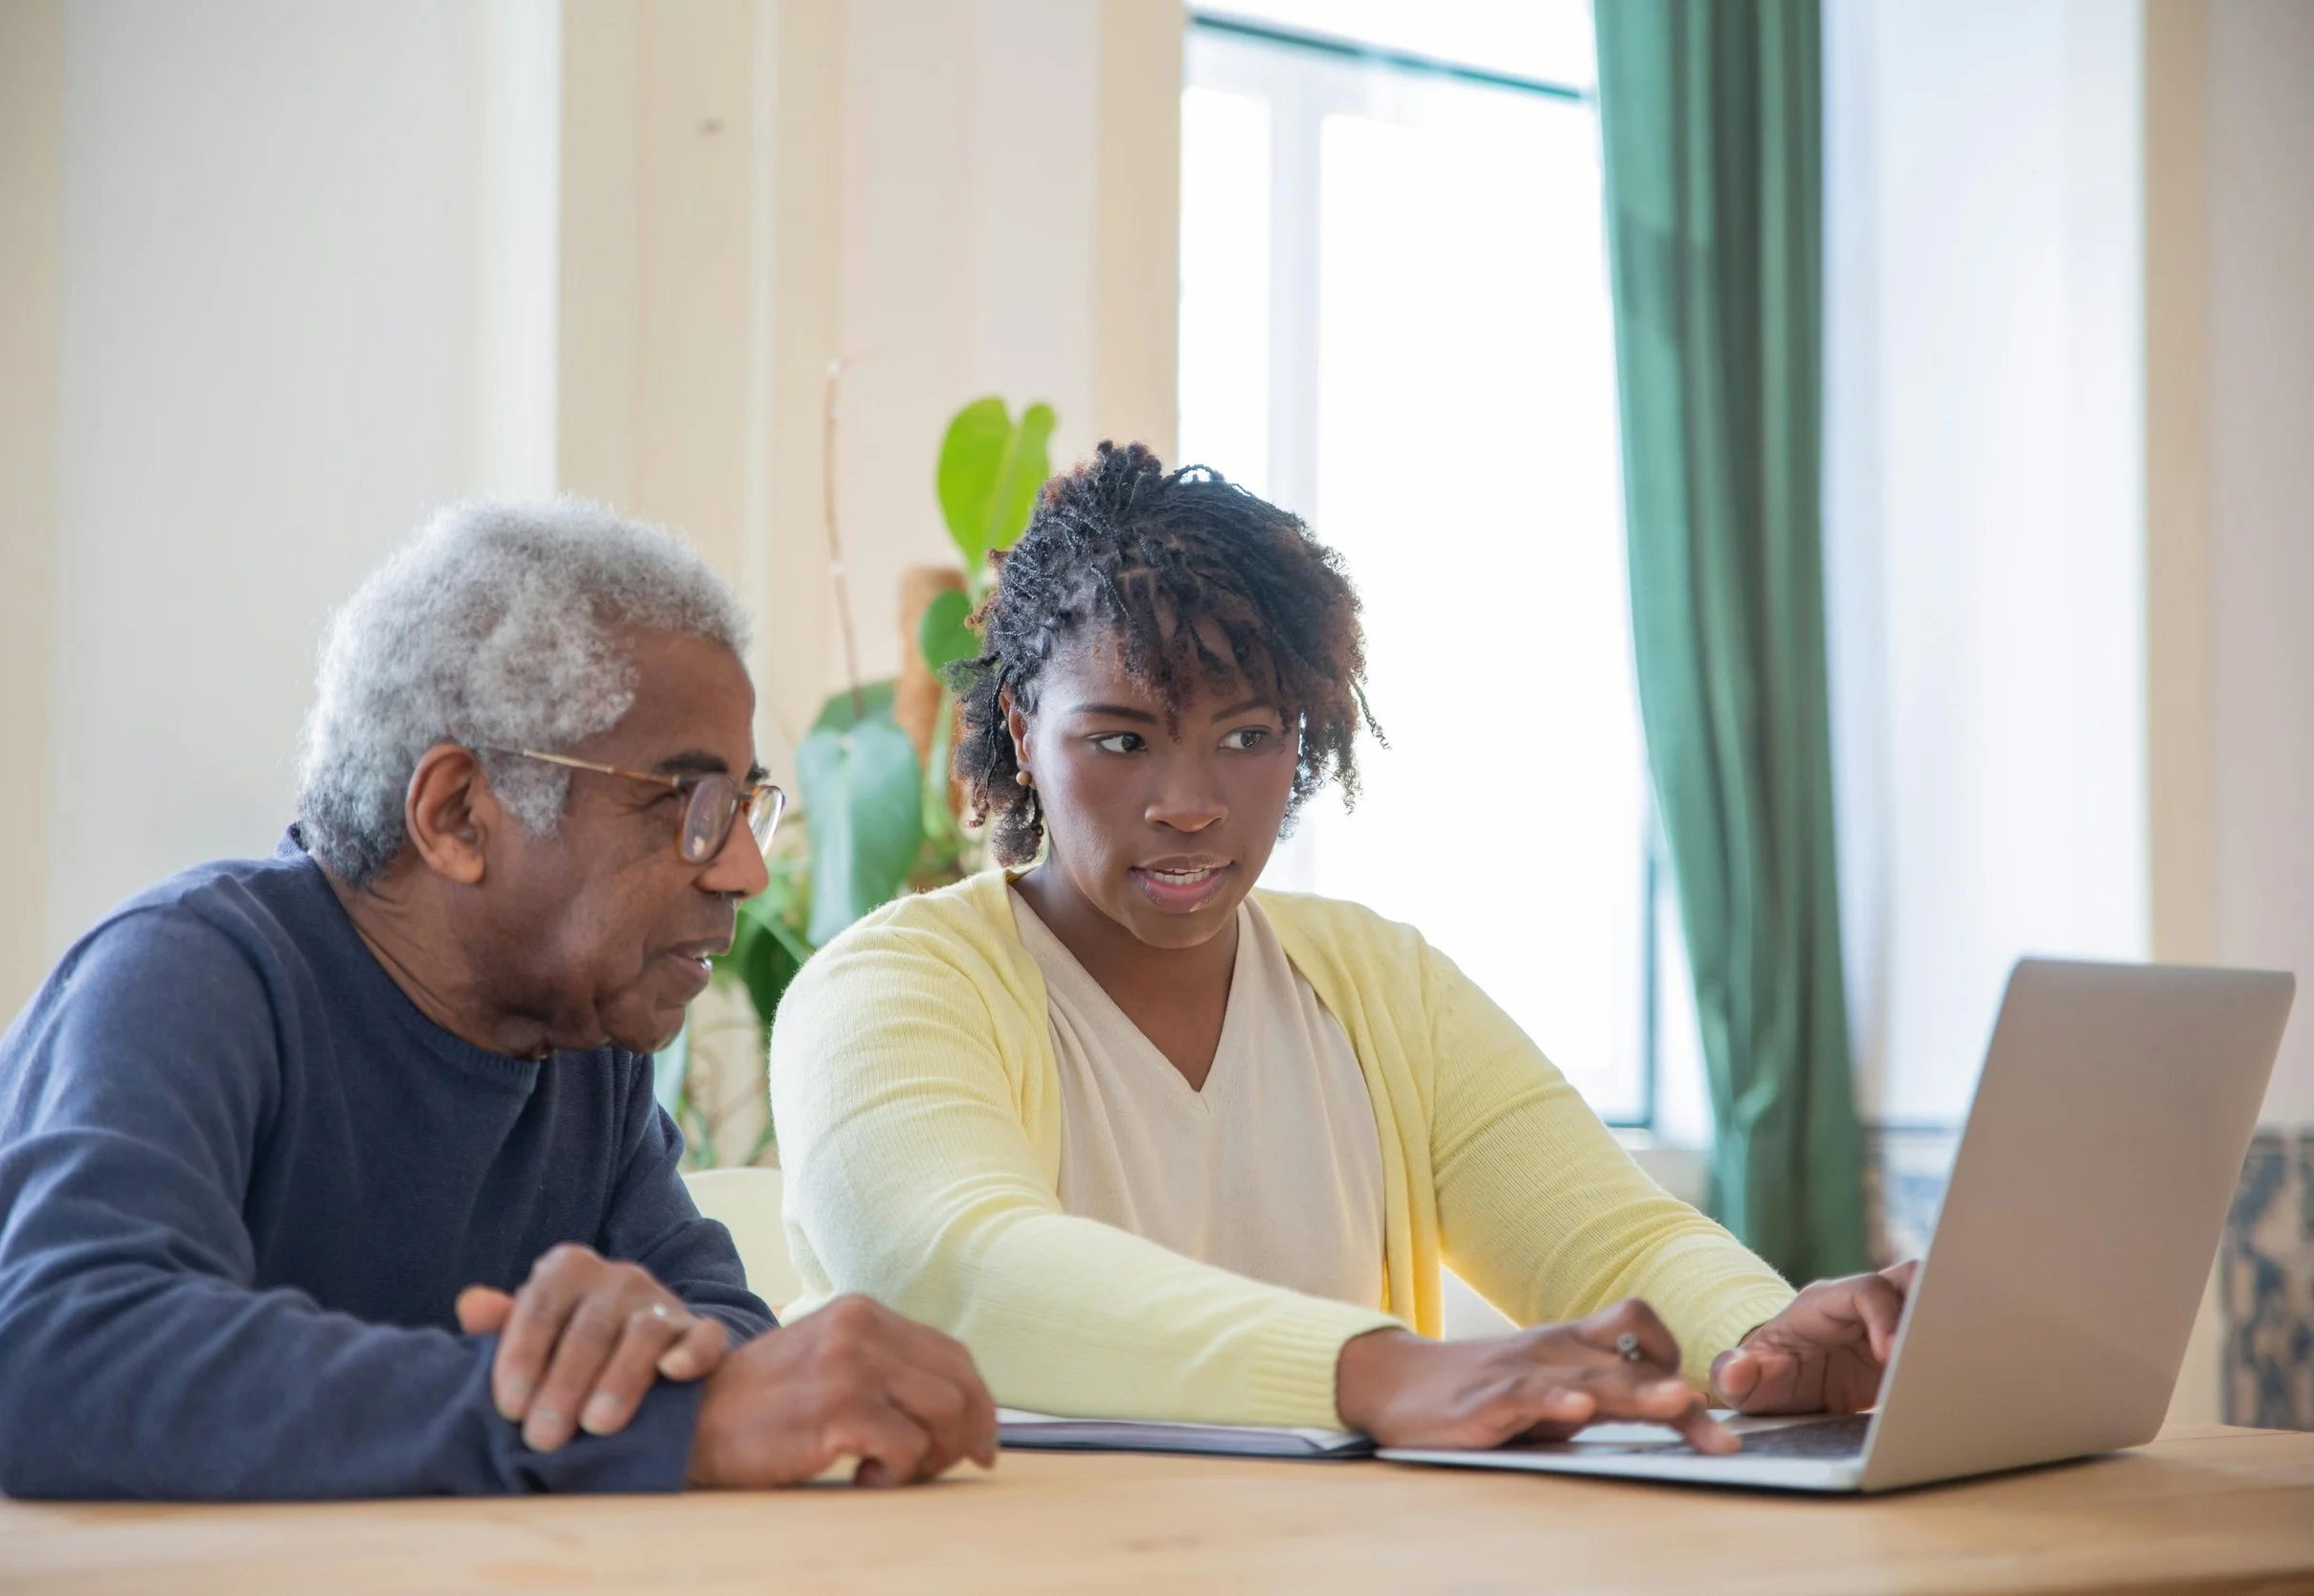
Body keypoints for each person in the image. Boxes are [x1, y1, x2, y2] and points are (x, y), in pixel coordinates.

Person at [771, 445, 1917, 1452]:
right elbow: (956, 1269)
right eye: (1119, 739)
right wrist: (1376, 1370)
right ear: (1021, 728)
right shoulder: (887, 991)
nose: (1190, 802)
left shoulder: (1381, 984)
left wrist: (1760, 1345)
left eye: (1248, 737)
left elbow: (1610, 1238)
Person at [0, 502, 995, 1498]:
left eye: (742, 807)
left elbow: (719, 1326)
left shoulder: (583, 1045)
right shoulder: (191, 976)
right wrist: (637, 1420)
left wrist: (658, 1365)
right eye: (688, 805)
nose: (741, 872)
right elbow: (65, 1360)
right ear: (457, 812)